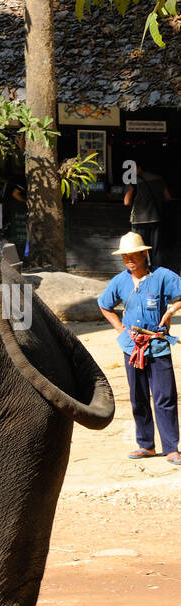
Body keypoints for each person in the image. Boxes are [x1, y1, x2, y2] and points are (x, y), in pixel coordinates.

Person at [97, 231, 181, 465]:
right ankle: (146, 445)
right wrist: (120, 330)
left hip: (157, 346)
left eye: (134, 254)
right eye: (125, 256)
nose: (129, 259)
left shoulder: (163, 276)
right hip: (131, 348)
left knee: (165, 397)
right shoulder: (120, 281)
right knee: (138, 397)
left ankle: (172, 448)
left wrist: (171, 310)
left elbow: (180, 297)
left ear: (144, 254)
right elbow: (104, 305)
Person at [123, 162, 172, 267]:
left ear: (138, 168)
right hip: (155, 218)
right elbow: (167, 197)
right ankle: (157, 272)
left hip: (139, 220)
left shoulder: (134, 180)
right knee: (156, 250)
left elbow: (126, 201)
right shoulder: (159, 179)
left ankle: (143, 272)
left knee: (139, 249)